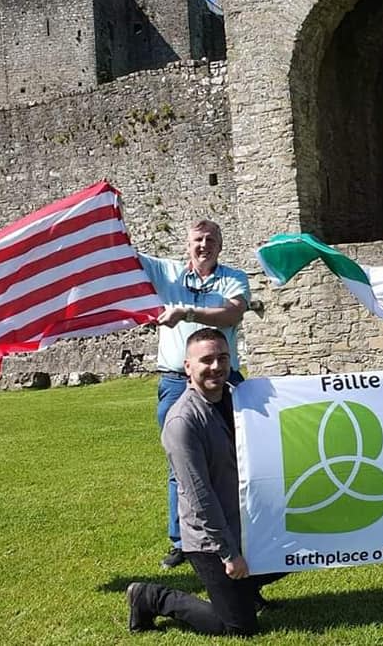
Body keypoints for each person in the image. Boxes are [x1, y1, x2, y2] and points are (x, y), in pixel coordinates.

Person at [126, 328, 283, 636]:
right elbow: (201, 499)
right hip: (209, 540)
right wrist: (229, 554)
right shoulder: (182, 422)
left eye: (222, 358)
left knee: (302, 545)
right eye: (206, 359)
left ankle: (243, 588)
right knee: (239, 628)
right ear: (188, 367)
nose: (216, 366)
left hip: (246, 522)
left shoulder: (240, 399)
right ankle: (152, 597)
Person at [139, 220, 250, 569]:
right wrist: (113, 210)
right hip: (176, 382)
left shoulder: (234, 278)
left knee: (238, 457)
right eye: (198, 240)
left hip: (224, 379)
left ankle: (241, 528)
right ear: (187, 244)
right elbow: (123, 253)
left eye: (211, 240)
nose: (204, 245)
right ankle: (181, 541)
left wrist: (188, 312)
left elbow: (232, 313)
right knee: (181, 463)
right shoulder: (166, 272)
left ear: (220, 245)